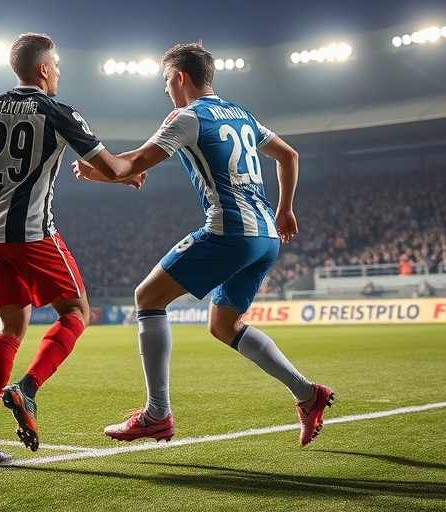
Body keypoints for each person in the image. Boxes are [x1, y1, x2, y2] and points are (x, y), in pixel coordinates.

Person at [73, 42, 333, 447]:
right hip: (265, 236)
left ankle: (157, 414)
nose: (165, 90)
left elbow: (130, 164)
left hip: (229, 233)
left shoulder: (188, 117)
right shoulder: (242, 115)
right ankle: (307, 393)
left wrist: (97, 171)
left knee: (147, 297)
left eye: (166, 81)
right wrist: (285, 209)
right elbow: (289, 155)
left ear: (180, 77)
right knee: (223, 325)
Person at [0, 32, 143, 465]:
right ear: (43, 69)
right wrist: (125, 176)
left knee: (9, 329)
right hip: (34, 235)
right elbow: (112, 166)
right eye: (56, 66)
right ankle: (28, 388)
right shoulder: (57, 112)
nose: (58, 72)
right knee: (76, 312)